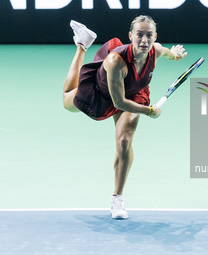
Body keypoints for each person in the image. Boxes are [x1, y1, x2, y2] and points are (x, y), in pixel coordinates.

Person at [62, 16, 187, 219]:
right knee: (67, 99)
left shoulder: (155, 50)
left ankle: (117, 198)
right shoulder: (115, 61)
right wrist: (149, 111)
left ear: (155, 37)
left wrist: (175, 55)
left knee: (124, 141)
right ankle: (82, 45)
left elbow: (168, 53)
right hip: (102, 93)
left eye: (149, 35)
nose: (144, 40)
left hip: (134, 94)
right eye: (139, 35)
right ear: (131, 36)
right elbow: (118, 103)